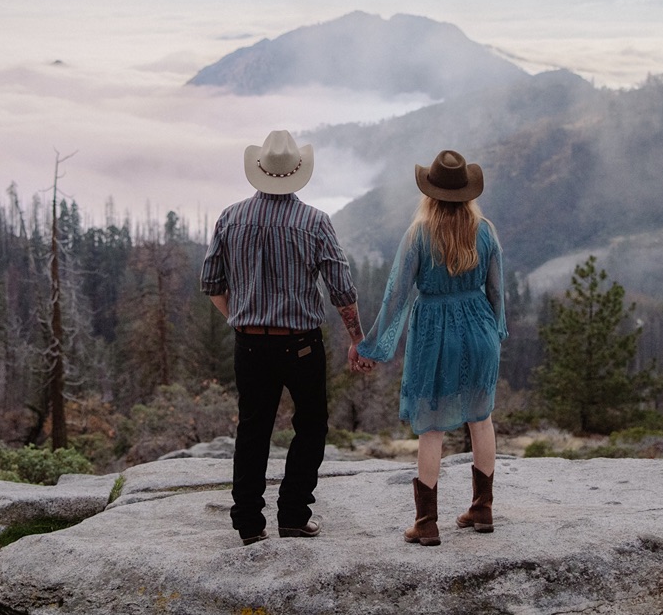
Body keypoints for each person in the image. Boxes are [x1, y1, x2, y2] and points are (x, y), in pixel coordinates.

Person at [200, 129, 368, 546]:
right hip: (302, 344)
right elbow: (341, 290)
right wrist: (356, 338)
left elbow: (211, 282)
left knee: (253, 430)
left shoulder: (230, 217)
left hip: (250, 343)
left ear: (259, 170)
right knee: (311, 426)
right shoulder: (314, 223)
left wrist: (239, 319)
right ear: (297, 173)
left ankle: (248, 524)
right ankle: (293, 514)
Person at [356, 149, 506, 546]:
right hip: (479, 330)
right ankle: (483, 508)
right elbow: (496, 292)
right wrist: (496, 331)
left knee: (432, 427)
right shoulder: (486, 231)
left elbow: (397, 296)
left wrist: (372, 347)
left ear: (431, 193)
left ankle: (426, 523)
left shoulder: (419, 234)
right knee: (482, 418)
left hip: (435, 335)